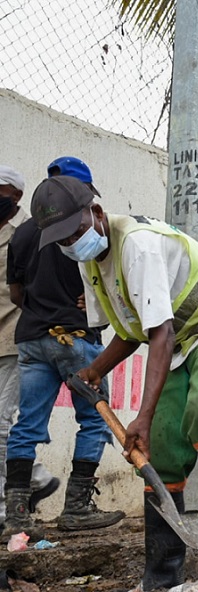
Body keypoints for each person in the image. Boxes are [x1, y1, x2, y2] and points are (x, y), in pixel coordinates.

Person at [30, 175, 198, 591]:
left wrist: (142, 416)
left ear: (95, 213)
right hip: (183, 344)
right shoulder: (93, 262)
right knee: (159, 452)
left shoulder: (137, 244)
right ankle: (161, 578)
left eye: (76, 232)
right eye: (62, 240)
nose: (73, 243)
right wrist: (95, 372)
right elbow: (132, 330)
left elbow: (159, 332)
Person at [4, 158, 125, 540]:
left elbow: (17, 293)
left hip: (31, 339)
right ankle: (76, 507)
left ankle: (18, 515)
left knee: (26, 425)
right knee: (92, 420)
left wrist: (41, 307)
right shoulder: (87, 227)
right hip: (76, 339)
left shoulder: (23, 232)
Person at [0, 165, 59, 537]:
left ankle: (23, 491)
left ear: (16, 196)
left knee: (3, 422)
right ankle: (33, 481)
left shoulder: (25, 234)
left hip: (13, 336)